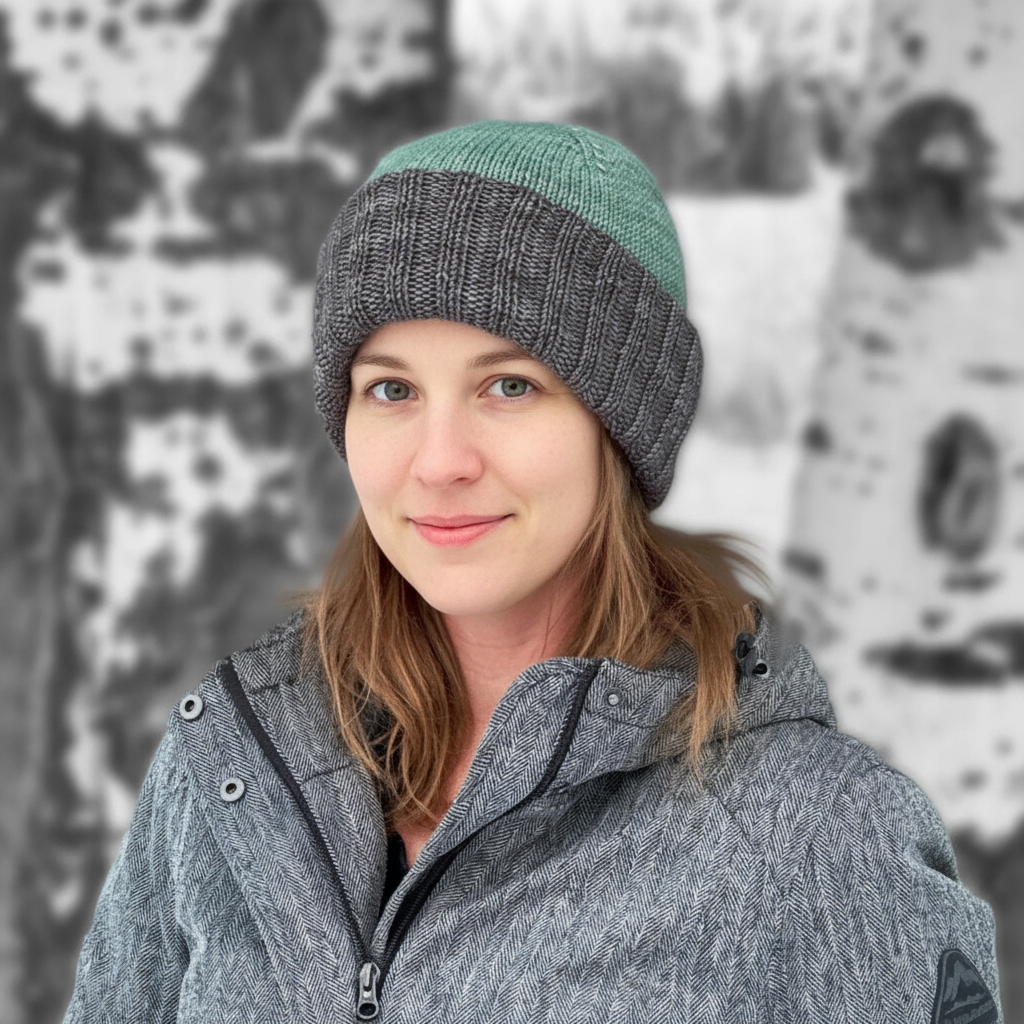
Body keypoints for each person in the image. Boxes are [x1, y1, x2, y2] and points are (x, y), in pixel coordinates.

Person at [63, 121, 1002, 1023]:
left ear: (620, 426)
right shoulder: (231, 768)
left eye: (508, 386)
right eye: (391, 389)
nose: (439, 461)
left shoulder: (816, 835)